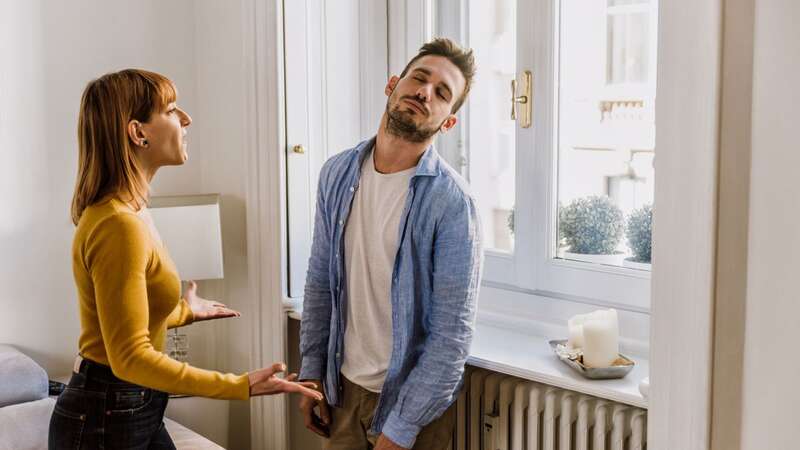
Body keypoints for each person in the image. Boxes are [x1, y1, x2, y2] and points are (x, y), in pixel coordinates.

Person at [49, 69, 322, 450]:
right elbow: (129, 356)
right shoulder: (118, 225)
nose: (187, 119)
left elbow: (122, 319)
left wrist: (182, 312)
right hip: (107, 412)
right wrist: (239, 385)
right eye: (172, 109)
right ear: (137, 132)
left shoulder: (132, 211)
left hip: (129, 404)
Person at [298, 38, 483, 450]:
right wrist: (311, 372)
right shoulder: (336, 173)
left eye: (442, 93)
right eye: (419, 78)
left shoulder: (452, 203)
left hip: (412, 408)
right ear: (393, 84)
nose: (424, 92)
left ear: (447, 122)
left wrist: (400, 429)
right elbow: (319, 280)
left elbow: (451, 336)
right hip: (341, 392)